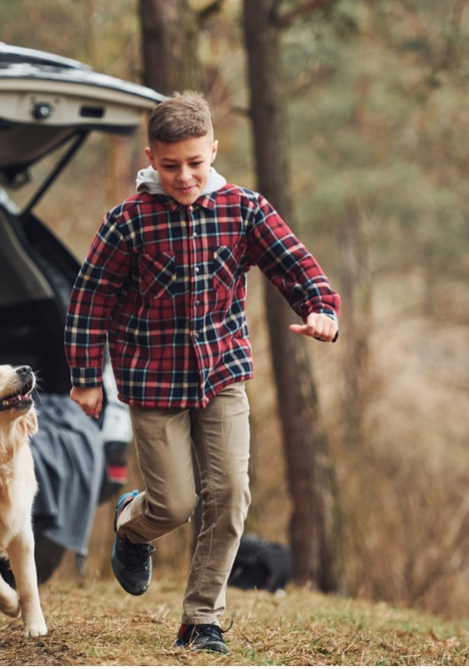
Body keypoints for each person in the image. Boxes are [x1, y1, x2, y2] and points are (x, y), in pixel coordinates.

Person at [64, 91, 340, 655]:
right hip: (153, 377)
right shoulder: (129, 221)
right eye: (170, 166)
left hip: (223, 371)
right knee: (174, 504)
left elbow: (293, 262)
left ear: (214, 149)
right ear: (151, 157)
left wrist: (320, 307)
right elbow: (89, 298)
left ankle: (201, 619)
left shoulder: (244, 209)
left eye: (196, 162)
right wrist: (87, 374)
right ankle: (131, 526)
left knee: (230, 492)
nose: (185, 176)